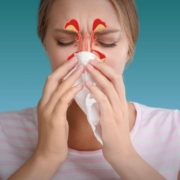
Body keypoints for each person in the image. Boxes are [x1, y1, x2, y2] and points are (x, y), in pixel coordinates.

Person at [0, 0, 179, 179]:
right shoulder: (4, 133)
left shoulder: (174, 130)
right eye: (65, 41)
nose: (85, 57)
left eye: (107, 42)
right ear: (46, 45)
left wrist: (125, 157)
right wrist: (45, 158)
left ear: (129, 49)